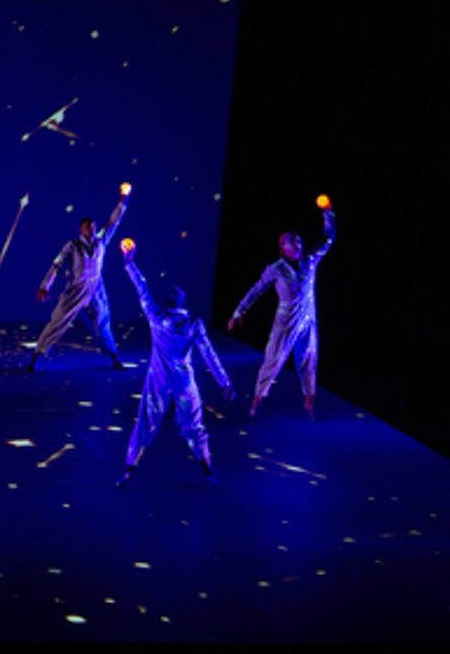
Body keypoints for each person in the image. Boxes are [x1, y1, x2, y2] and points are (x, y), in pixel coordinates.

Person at [117, 242, 234, 487]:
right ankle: (207, 468)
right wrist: (225, 383)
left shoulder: (156, 317)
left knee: (146, 422)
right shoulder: (194, 324)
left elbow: (142, 289)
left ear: (169, 303)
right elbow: (210, 355)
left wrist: (130, 263)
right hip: (184, 381)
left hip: (158, 379)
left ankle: (129, 469)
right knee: (194, 426)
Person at [227, 200, 336, 419]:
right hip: (286, 320)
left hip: (308, 318)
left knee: (309, 357)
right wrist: (238, 313)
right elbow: (256, 290)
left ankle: (309, 400)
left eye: (299, 240)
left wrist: (328, 213)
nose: (298, 243)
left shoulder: (310, 261)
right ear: (282, 248)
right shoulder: (275, 269)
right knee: (274, 359)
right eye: (292, 241)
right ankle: (257, 399)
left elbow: (328, 238)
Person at [29, 183, 131, 370]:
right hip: (75, 291)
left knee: (103, 323)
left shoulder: (101, 242)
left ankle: (114, 358)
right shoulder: (73, 246)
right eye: (88, 228)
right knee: (57, 322)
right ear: (81, 230)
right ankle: (35, 357)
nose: (91, 230)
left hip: (96, 290)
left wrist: (124, 199)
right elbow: (56, 264)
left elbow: (113, 222)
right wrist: (45, 286)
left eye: (93, 227)